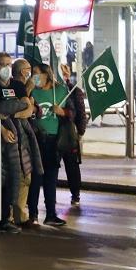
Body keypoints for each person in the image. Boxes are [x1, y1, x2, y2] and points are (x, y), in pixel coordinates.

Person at [0, 52, 35, 234]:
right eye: (1, 64)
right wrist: (2, 128)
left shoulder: (17, 85)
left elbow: (27, 108)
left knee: (12, 179)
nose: (5, 67)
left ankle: (5, 219)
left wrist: (8, 113)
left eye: (8, 64)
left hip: (16, 140)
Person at [27, 63, 68, 227]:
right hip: (36, 139)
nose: (34, 77)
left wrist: (63, 112)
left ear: (47, 74)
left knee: (51, 178)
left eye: (37, 74)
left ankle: (51, 214)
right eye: (32, 74)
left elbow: (72, 113)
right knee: (35, 178)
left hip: (53, 140)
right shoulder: (32, 91)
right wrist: (28, 88)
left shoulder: (60, 91)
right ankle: (33, 214)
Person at [10, 58, 43, 228]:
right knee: (20, 177)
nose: (31, 73)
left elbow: (35, 109)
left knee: (26, 177)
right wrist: (28, 96)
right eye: (28, 69)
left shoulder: (26, 88)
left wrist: (33, 107)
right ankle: (14, 216)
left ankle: (20, 216)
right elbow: (21, 110)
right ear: (23, 72)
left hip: (26, 137)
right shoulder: (16, 86)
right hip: (17, 136)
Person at [60, 63, 88, 204]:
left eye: (64, 74)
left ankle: (75, 194)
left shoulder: (74, 91)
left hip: (70, 135)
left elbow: (81, 114)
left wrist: (80, 131)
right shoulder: (52, 90)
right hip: (54, 135)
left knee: (72, 166)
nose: (62, 77)